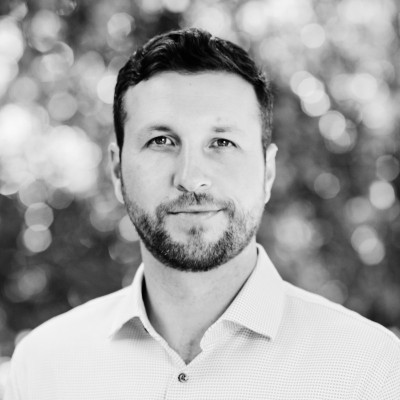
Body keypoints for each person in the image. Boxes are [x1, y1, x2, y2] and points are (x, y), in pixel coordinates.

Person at [4, 28, 400, 400]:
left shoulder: (369, 371)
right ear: (117, 171)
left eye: (222, 142)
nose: (191, 178)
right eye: (161, 140)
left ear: (268, 172)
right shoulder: (42, 368)